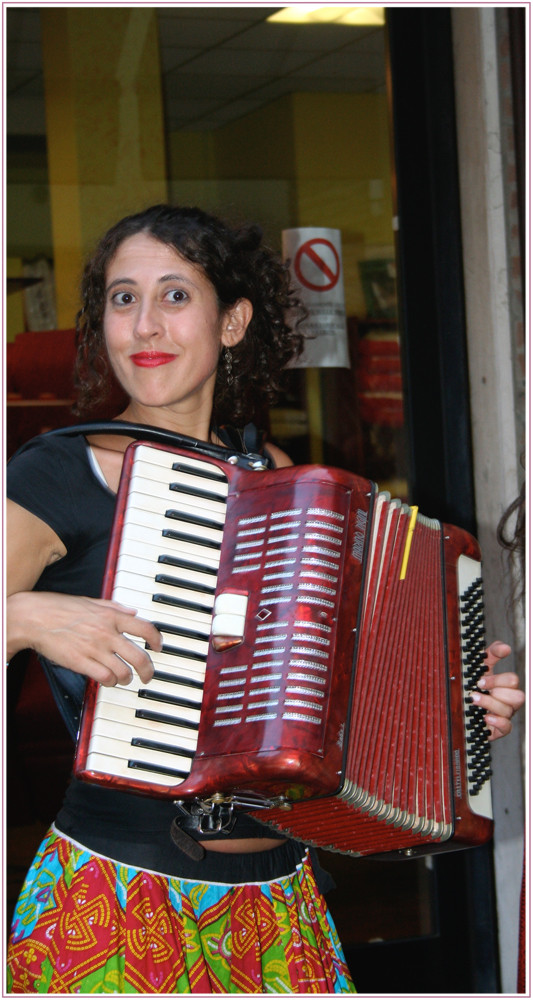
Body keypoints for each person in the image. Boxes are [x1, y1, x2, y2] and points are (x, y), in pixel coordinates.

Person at [6, 204, 524, 994]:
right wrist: (21, 617)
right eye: (122, 298)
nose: (144, 325)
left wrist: (449, 695)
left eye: (175, 296)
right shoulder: (55, 475)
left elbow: (331, 677)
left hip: (279, 905)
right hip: (116, 897)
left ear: (233, 322)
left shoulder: (275, 476)